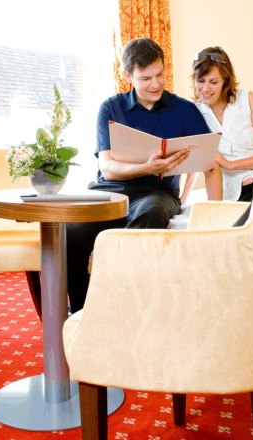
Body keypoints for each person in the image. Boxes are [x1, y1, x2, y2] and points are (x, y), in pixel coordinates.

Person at [66, 37, 212, 313]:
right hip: (110, 191)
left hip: (157, 194)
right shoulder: (111, 108)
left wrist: (186, 193)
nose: (155, 84)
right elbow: (107, 167)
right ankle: (81, 311)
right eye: (146, 78)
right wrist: (147, 166)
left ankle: (111, 271)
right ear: (127, 75)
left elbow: (206, 156)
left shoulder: (184, 110)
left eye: (160, 75)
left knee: (153, 211)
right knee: (72, 230)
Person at [191, 46, 253, 202]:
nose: (205, 89)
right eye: (200, 81)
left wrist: (230, 165)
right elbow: (208, 165)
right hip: (231, 192)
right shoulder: (195, 112)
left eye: (213, 82)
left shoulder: (247, 99)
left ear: (225, 81)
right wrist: (212, 209)